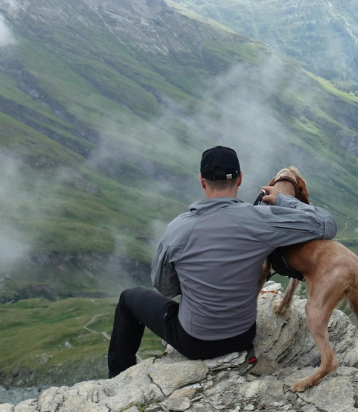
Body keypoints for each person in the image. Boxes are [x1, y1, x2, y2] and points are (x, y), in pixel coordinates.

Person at [107, 146, 337, 377]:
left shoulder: (178, 229)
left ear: (202, 181)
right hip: (242, 335)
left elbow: (164, 288)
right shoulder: (261, 221)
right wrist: (283, 200)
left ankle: (118, 378)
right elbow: (326, 223)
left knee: (128, 299)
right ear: (240, 179)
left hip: (193, 341)